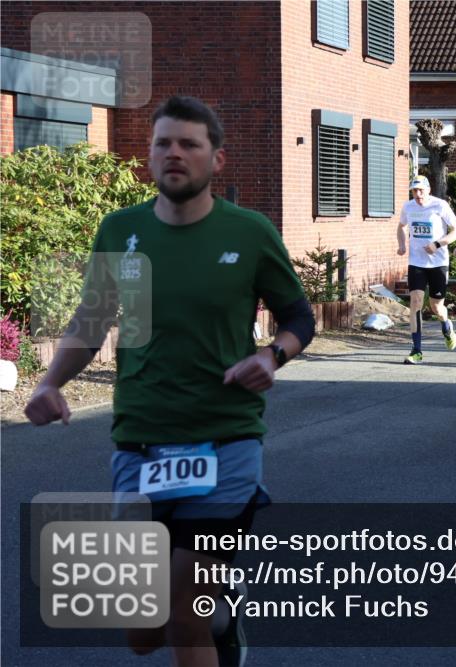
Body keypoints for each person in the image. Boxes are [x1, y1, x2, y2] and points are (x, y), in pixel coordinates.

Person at [24, 95, 315, 667]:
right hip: (141, 441)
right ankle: (224, 615)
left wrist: (274, 355)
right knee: (142, 632)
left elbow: (299, 316)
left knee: (182, 612)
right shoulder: (121, 229)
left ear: (217, 160)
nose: (174, 153)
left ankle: (209, 617)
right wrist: (48, 382)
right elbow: (91, 321)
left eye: (189, 144)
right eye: (163, 143)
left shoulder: (249, 232)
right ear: (150, 156)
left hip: (226, 439)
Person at [397, 176, 456, 364]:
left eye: (421, 191)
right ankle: (416, 350)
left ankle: (446, 326)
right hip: (416, 262)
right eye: (414, 191)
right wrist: (402, 244)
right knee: (416, 302)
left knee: (436, 307)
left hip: (438, 263)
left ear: (428, 190)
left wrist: (438, 244)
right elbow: (401, 226)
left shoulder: (440, 205)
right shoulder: (408, 207)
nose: (417, 195)